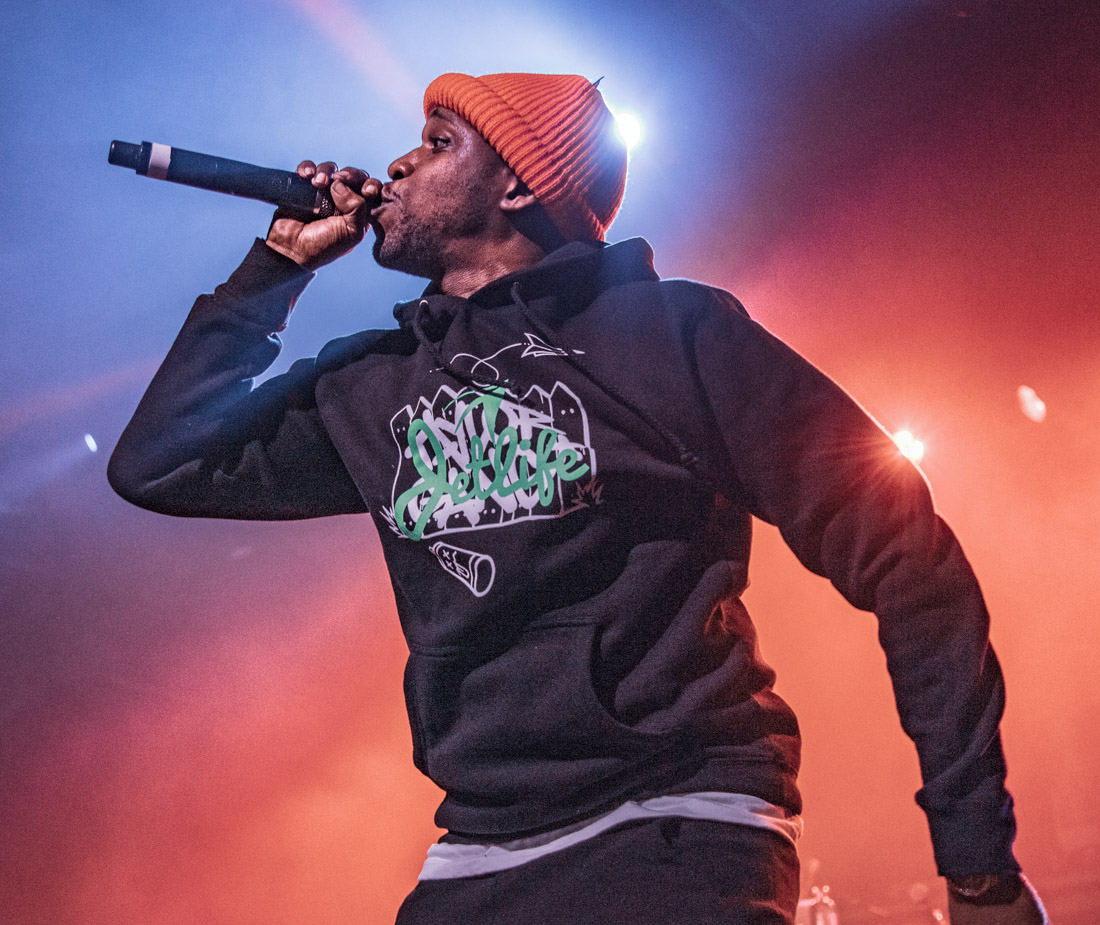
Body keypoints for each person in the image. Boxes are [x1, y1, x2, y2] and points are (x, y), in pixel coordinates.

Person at [108, 72, 1049, 924]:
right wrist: (272, 273)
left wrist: (977, 863)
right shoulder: (373, 384)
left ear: (517, 185)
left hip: (676, 815)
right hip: (477, 847)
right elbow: (159, 464)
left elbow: (907, 553)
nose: (397, 160)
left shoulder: (672, 334)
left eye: (439, 143)